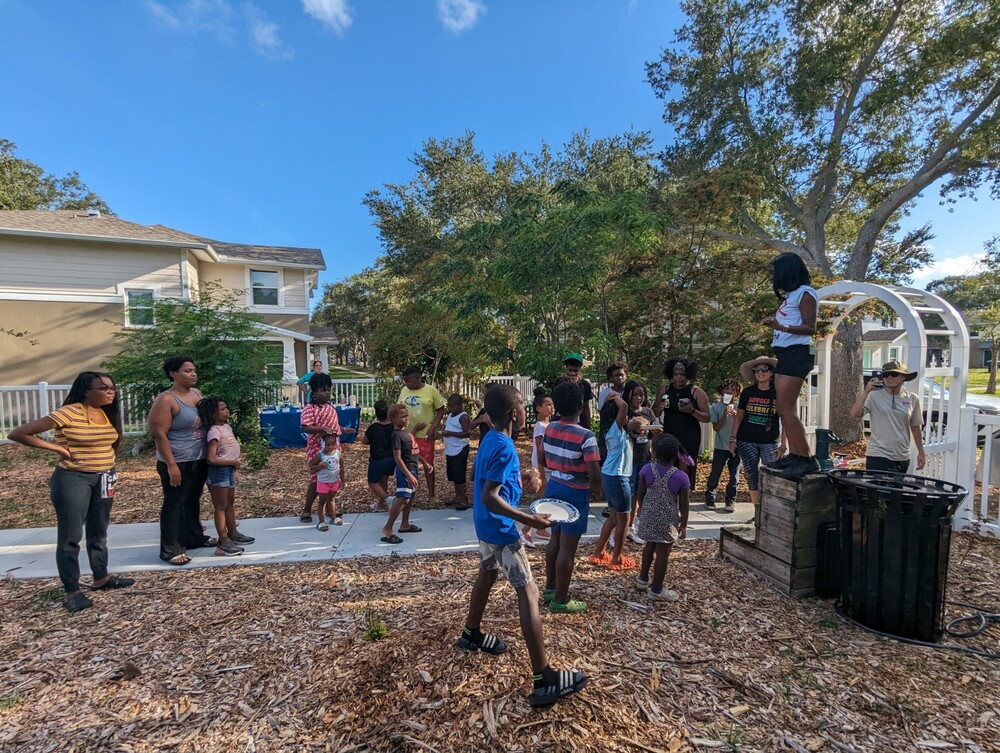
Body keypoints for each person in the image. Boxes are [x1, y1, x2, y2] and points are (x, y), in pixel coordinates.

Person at [456, 384, 588, 707]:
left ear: (489, 415)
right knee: (528, 592)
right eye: (524, 409)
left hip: (484, 526)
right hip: (502, 531)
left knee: (486, 575)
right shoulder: (504, 447)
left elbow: (481, 477)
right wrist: (530, 520)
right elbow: (490, 495)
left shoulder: (489, 438)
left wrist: (519, 480)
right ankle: (545, 679)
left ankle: (471, 634)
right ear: (516, 414)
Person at [9, 371, 133, 611]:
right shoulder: (69, 412)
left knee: (99, 530)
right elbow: (19, 433)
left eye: (112, 388)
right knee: (71, 535)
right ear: (87, 390)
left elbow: (112, 442)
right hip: (73, 478)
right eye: (104, 388)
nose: (111, 392)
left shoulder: (106, 412)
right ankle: (72, 591)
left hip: (105, 477)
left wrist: (108, 465)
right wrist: (59, 449)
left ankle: (101, 577)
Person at [542, 381, 602, 614]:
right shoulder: (586, 436)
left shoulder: (550, 428)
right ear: (581, 405)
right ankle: (561, 599)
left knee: (554, 540)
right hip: (575, 492)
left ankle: (549, 589)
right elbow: (594, 474)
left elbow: (545, 459)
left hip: (554, 486)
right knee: (568, 548)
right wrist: (597, 491)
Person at [148, 355, 214, 566]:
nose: (193, 374)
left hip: (199, 458)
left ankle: (194, 538)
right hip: (177, 460)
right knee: (174, 502)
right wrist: (171, 465)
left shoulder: (196, 394)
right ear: (173, 373)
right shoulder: (166, 399)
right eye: (187, 371)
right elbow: (159, 433)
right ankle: (171, 549)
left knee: (192, 499)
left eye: (194, 370)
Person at [761, 252, 820, 479]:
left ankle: (806, 459)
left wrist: (780, 326)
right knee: (784, 409)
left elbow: (809, 327)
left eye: (775, 273)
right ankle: (796, 455)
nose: (773, 277)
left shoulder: (806, 294)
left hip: (797, 354)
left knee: (785, 408)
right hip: (786, 354)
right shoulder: (792, 296)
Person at [635, 433, 690, 602]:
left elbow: (641, 493)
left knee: (649, 545)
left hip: (649, 515)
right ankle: (657, 589)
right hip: (667, 521)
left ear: (655, 453)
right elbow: (684, 504)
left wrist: (640, 510)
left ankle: (643, 579)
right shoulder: (681, 477)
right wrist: (684, 525)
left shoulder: (646, 470)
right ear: (675, 454)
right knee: (663, 553)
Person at [198, 396, 254, 556]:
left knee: (230, 503)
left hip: (229, 469)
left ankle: (233, 533)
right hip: (219, 471)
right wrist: (233, 463)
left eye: (226, 407)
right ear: (213, 414)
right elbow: (212, 458)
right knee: (220, 506)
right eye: (222, 409)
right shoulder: (214, 431)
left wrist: (235, 469)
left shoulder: (226, 427)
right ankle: (223, 541)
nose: (227, 411)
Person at [589, 392, 639, 571]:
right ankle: (616, 559)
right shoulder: (615, 430)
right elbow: (624, 407)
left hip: (610, 476)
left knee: (613, 518)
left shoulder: (612, 430)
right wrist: (614, 396)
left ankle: (598, 552)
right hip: (618, 478)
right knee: (624, 520)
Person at [849, 360, 926, 473]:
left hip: (902, 456)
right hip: (877, 454)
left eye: (894, 374)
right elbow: (855, 413)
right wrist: (866, 392)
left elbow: (915, 427)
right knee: (878, 489)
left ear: (903, 377)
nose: (889, 377)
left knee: (896, 490)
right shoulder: (873, 396)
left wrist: (921, 453)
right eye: (886, 375)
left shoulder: (912, 399)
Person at [732, 357, 784, 511]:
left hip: (770, 441)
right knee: (751, 475)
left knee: (773, 475)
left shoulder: (778, 393)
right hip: (746, 439)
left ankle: (773, 511)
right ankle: (758, 511)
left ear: (771, 372)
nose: (760, 373)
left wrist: (784, 446)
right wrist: (732, 439)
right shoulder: (748, 392)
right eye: (757, 370)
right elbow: (739, 416)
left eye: (764, 369)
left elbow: (787, 419)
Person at [652, 357, 710, 487]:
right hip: (669, 434)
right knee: (668, 465)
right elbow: (654, 412)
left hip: (689, 436)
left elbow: (707, 417)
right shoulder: (664, 390)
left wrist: (692, 411)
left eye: (682, 374)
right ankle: (668, 494)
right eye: (675, 374)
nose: (679, 377)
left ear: (688, 375)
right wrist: (660, 407)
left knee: (684, 467)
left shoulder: (696, 392)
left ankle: (683, 494)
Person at [381, 403, 434, 543]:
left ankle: (405, 524)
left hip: (413, 468)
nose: (406, 418)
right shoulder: (396, 435)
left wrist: (424, 462)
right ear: (394, 418)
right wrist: (409, 475)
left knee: (410, 498)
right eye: (403, 416)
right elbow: (398, 458)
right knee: (403, 499)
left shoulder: (406, 433)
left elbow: (414, 451)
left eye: (407, 415)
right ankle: (388, 528)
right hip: (405, 471)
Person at [398, 366, 447, 503]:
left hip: (425, 435)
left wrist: (433, 428)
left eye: (409, 381)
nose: (406, 384)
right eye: (405, 381)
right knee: (408, 464)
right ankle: (409, 494)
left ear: (417, 378)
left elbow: (440, 409)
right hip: (407, 434)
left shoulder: (431, 390)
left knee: (428, 464)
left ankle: (432, 495)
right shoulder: (404, 391)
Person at [299, 374, 341, 523]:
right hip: (317, 450)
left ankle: (330, 508)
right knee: (317, 479)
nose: (327, 393)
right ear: (314, 393)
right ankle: (307, 510)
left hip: (333, 450)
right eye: (323, 390)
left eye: (329, 389)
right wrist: (321, 429)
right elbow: (306, 427)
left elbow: (334, 427)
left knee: (332, 477)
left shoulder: (331, 408)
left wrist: (342, 429)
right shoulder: (309, 409)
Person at [623, 380, 657, 544]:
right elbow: (620, 432)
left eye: (641, 395)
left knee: (640, 491)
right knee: (628, 492)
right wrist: (631, 427)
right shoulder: (625, 412)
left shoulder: (648, 412)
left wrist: (653, 430)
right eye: (635, 394)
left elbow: (652, 434)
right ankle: (625, 525)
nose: (638, 398)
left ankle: (634, 525)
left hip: (645, 457)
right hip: (629, 458)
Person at [522, 388, 555, 546]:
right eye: (547, 405)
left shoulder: (552, 425)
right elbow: (540, 449)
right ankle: (526, 529)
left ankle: (540, 528)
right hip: (543, 467)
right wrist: (541, 474)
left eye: (552, 404)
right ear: (538, 408)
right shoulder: (540, 426)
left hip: (551, 467)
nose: (551, 407)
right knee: (544, 499)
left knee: (550, 499)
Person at [705, 379, 743, 512]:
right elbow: (715, 427)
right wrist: (725, 416)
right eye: (727, 389)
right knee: (716, 472)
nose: (729, 392)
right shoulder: (716, 407)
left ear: (737, 393)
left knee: (734, 475)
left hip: (737, 446)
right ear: (722, 391)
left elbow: (743, 426)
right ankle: (710, 498)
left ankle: (730, 500)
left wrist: (736, 415)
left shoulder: (740, 408)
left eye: (733, 390)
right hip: (721, 446)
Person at [362, 400, 396, 511]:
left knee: (372, 482)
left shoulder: (373, 428)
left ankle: (388, 499)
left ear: (376, 414)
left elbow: (365, 441)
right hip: (391, 458)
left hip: (377, 459)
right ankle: (381, 504)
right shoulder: (393, 427)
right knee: (383, 479)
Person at [441, 393, 472, 508]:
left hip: (460, 449)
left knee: (460, 475)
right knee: (453, 474)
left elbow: (467, 433)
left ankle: (464, 499)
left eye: (452, 406)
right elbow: (449, 426)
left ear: (459, 405)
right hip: (450, 449)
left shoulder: (463, 417)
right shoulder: (450, 415)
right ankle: (457, 496)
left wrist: (450, 434)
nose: (450, 408)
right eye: (449, 406)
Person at [309, 432, 344, 530]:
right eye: (328, 445)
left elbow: (342, 467)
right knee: (322, 502)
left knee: (332, 499)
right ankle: (321, 522)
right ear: (323, 443)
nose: (330, 447)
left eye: (332, 444)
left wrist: (343, 480)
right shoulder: (320, 455)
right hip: (323, 482)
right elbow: (311, 466)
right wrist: (319, 466)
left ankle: (333, 518)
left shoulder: (338, 453)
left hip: (334, 481)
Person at [561, 353, 594, 430]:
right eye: (570, 370)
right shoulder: (560, 383)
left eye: (575, 371)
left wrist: (588, 427)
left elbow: (586, 407)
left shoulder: (585, 385)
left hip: (580, 423)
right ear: (566, 369)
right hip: (563, 421)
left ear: (580, 369)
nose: (573, 373)